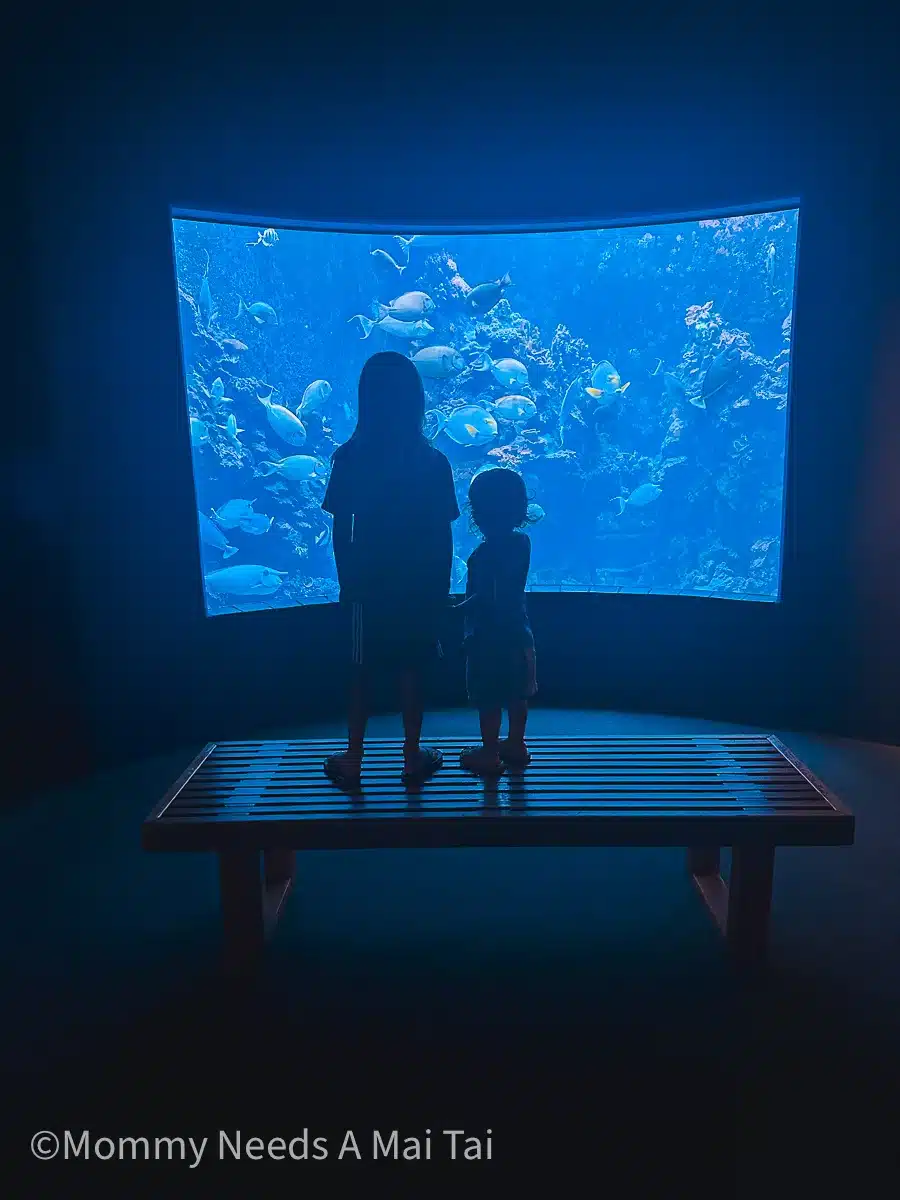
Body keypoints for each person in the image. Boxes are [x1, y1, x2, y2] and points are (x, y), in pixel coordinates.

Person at [321, 351, 460, 787]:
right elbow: (443, 536)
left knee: (359, 668)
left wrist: (348, 582)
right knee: (413, 666)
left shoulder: (348, 457)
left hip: (367, 581)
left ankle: (354, 756)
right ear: (416, 401)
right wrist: (440, 589)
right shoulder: (434, 462)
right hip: (418, 583)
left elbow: (341, 527)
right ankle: (412, 753)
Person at [457, 468, 538, 775]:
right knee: (517, 692)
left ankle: (490, 752)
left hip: (488, 637)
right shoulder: (522, 543)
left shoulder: (483, 554)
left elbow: (488, 596)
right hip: (520, 633)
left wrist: (458, 609)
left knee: (489, 696)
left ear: (478, 514)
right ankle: (517, 744)